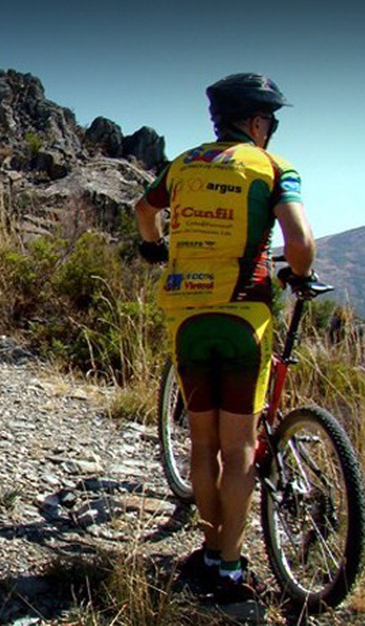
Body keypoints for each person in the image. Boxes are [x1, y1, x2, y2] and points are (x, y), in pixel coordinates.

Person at [134, 73, 316, 603]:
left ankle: (209, 554)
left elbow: (145, 212)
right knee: (239, 448)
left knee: (204, 442)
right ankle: (230, 570)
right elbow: (299, 241)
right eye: (272, 122)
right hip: (243, 314)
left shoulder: (184, 164)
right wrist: (297, 276)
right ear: (257, 121)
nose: (272, 130)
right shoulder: (274, 168)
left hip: (185, 315)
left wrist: (154, 249)